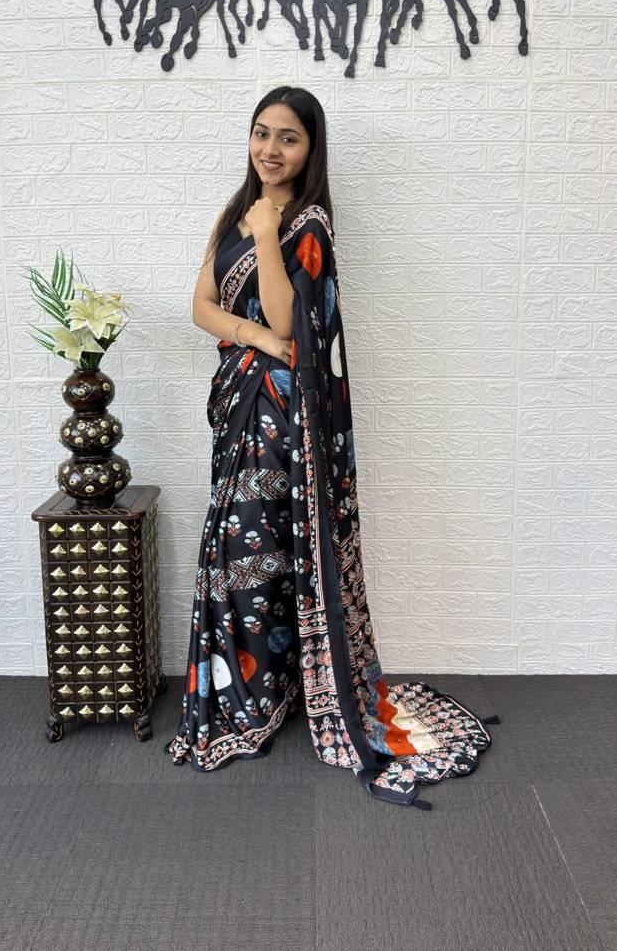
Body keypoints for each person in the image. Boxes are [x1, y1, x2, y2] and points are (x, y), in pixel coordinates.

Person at [163, 85, 499, 808]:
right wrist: (254, 337)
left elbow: (289, 317)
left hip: (284, 420)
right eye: (261, 133)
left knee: (262, 551)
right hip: (240, 404)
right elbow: (202, 307)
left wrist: (266, 238)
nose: (270, 149)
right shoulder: (235, 210)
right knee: (238, 553)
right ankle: (255, 692)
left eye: (287, 137)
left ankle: (267, 694)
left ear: (310, 150)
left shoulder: (306, 224)